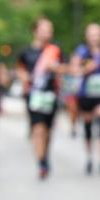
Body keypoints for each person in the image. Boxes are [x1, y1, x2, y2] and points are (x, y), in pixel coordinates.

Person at [25, 19, 65, 179]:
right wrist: (25, 78)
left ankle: (45, 155)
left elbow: (64, 68)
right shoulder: (27, 52)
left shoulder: (55, 50)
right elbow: (20, 71)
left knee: (48, 130)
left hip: (51, 95)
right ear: (35, 31)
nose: (48, 32)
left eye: (50, 29)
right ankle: (41, 162)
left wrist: (56, 69)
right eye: (44, 29)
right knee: (38, 128)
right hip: (34, 95)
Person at [70, 23, 100, 175]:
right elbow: (73, 70)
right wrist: (86, 69)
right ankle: (89, 158)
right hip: (86, 94)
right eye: (91, 34)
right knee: (88, 127)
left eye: (97, 34)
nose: (94, 37)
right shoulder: (81, 52)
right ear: (87, 36)